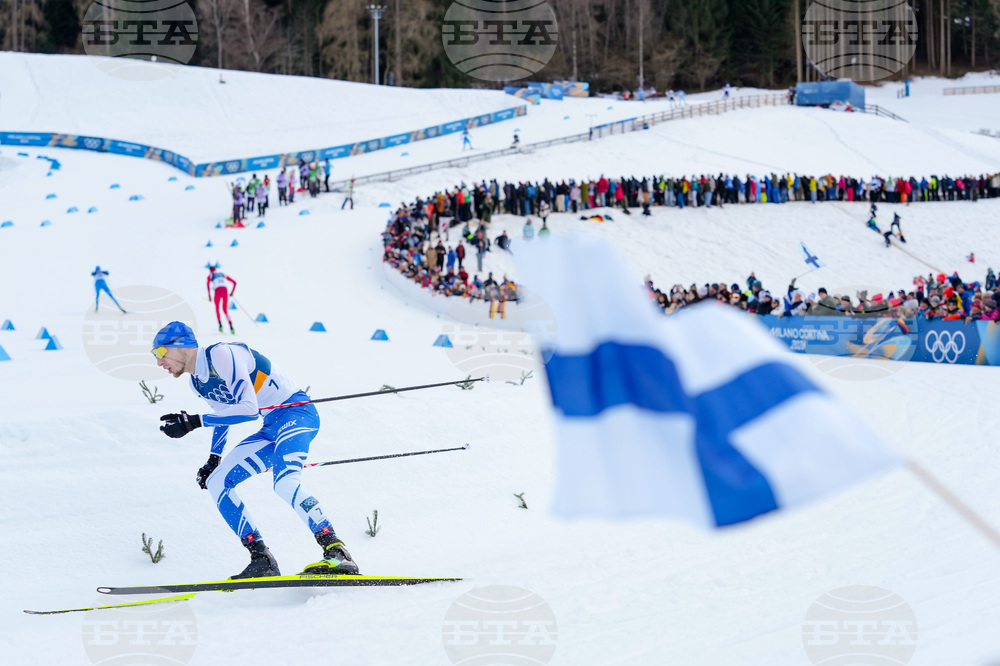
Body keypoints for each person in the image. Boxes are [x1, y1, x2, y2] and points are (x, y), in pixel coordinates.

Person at [152, 321, 358, 579]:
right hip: (271, 426)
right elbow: (224, 415)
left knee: (284, 483)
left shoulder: (221, 354)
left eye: (160, 353)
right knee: (217, 481)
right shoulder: (197, 382)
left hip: (297, 413)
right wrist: (213, 458)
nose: (159, 362)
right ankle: (262, 558)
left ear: (181, 344)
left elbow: (248, 409)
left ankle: (337, 551)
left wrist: (195, 421)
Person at [207, 264, 237, 334]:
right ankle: (231, 327)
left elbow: (208, 285)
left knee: (217, 309)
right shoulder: (222, 274)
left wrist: (209, 296)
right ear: (215, 269)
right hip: (225, 291)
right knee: (225, 310)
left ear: (210, 270)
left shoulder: (210, 275)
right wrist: (232, 292)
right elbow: (235, 282)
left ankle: (220, 326)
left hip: (218, 291)